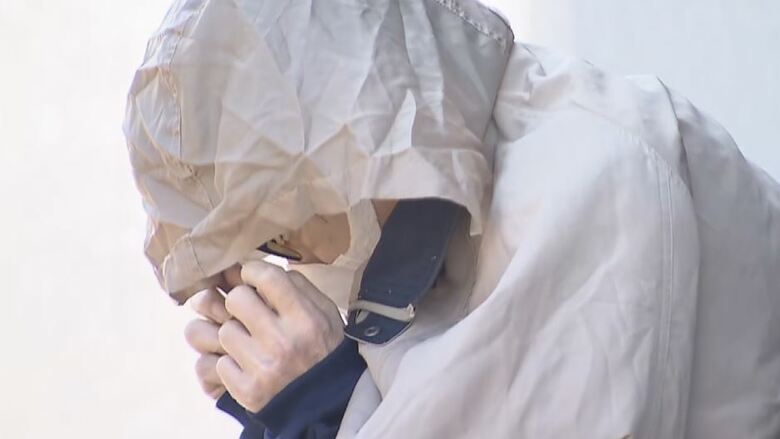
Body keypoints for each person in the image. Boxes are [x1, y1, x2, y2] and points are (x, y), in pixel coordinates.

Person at [123, 0, 780, 437]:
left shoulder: (582, 177)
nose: (290, 257)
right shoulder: (420, 205)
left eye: (273, 229)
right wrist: (275, 401)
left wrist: (314, 399)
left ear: (336, 127)